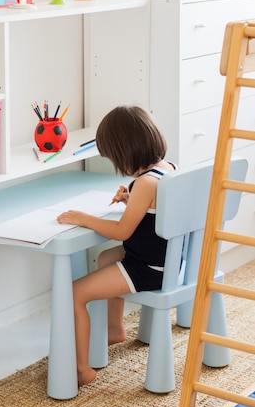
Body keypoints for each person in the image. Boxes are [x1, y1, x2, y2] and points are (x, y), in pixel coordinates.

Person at [57, 105, 177, 387]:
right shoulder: (167, 169)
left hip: (147, 269)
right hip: (169, 261)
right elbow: (154, 211)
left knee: (73, 293)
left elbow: (121, 230)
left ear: (125, 152)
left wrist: (83, 218)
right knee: (107, 257)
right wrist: (131, 201)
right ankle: (114, 328)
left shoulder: (144, 183)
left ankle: (82, 369)